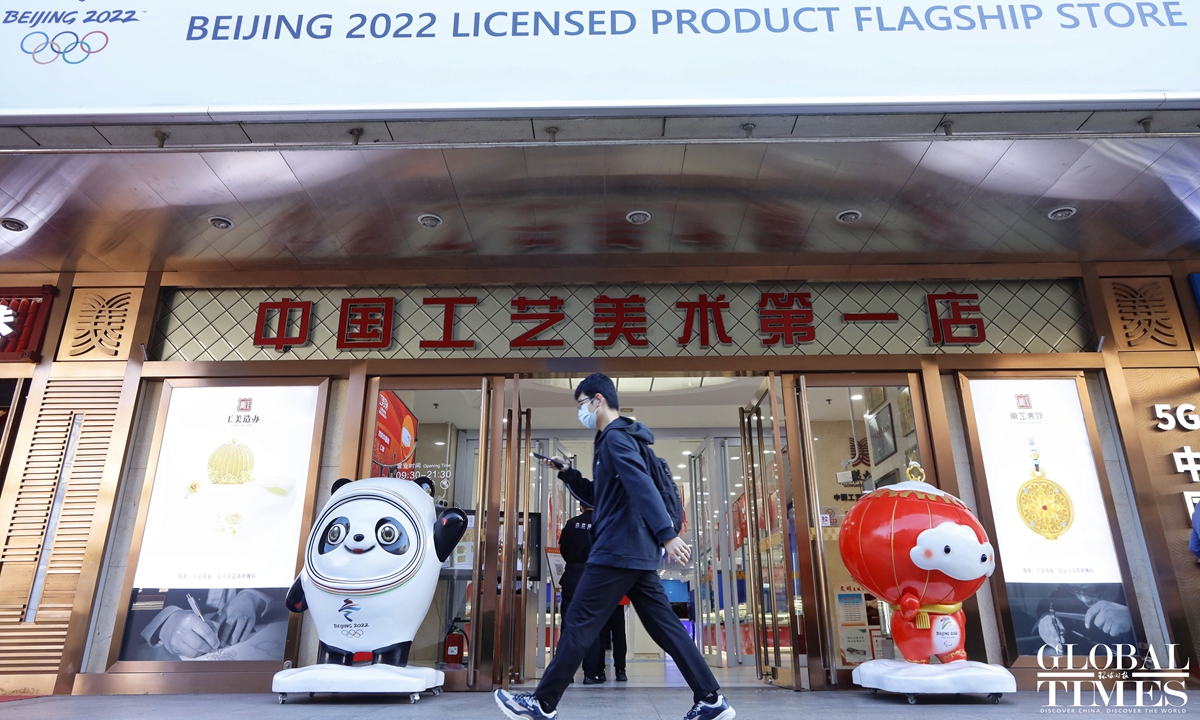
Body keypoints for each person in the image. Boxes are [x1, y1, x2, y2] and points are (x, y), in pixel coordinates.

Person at [495, 373, 734, 720]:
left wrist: (668, 534)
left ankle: (543, 703)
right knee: (667, 627)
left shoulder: (615, 437)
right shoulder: (622, 439)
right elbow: (603, 496)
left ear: (598, 400)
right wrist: (568, 473)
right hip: (635, 551)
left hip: (617, 549)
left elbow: (640, 485)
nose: (580, 411)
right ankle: (711, 698)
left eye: (581, 403)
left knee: (579, 621)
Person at [558, 501, 608, 683]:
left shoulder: (571, 524)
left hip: (572, 577)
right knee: (593, 626)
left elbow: (564, 550)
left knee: (568, 625)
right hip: (595, 578)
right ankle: (591, 673)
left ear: (580, 506)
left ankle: (566, 673)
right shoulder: (604, 523)